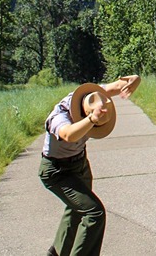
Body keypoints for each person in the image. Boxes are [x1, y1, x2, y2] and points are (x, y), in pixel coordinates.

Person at [40, 75, 141, 256]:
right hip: (57, 171)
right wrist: (92, 120)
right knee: (94, 213)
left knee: (77, 210)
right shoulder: (59, 116)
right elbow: (69, 135)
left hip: (80, 164)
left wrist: (135, 80)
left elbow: (119, 84)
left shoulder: (94, 96)